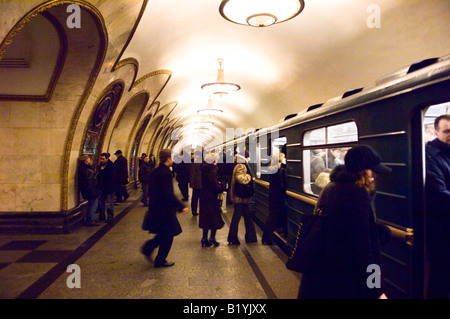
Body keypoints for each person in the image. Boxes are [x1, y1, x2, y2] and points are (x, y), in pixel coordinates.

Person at [298, 145, 391, 299]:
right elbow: (364, 249)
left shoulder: (333, 187)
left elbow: (344, 227)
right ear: (362, 171)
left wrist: (374, 229)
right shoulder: (356, 194)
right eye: (372, 170)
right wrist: (375, 289)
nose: (374, 175)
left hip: (325, 274)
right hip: (345, 279)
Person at [141, 149, 189, 268]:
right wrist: (180, 206)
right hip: (164, 210)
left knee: (163, 233)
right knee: (169, 234)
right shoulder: (165, 173)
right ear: (168, 158)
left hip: (157, 208)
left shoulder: (157, 171)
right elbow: (168, 193)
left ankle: (148, 248)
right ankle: (160, 260)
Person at [425, 114, 450, 299]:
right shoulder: (430, 155)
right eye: (447, 131)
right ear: (436, 132)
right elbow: (438, 194)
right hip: (440, 227)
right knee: (441, 275)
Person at [227, 150, 257, 245]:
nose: (249, 158)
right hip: (240, 197)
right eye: (248, 156)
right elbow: (240, 178)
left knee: (247, 217)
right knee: (237, 217)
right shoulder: (241, 165)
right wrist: (249, 177)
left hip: (242, 196)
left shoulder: (240, 164)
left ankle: (250, 236)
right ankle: (233, 237)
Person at [199, 152, 226, 247]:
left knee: (206, 218)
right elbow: (215, 186)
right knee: (214, 218)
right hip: (211, 198)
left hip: (204, 197)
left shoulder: (204, 168)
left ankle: (204, 238)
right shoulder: (212, 170)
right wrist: (222, 186)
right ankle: (212, 238)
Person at [262, 153, 287, 245]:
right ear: (280, 159)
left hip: (273, 195)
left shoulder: (272, 169)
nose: (285, 159)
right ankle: (267, 238)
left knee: (271, 216)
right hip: (278, 196)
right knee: (272, 217)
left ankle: (266, 237)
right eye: (283, 158)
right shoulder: (280, 170)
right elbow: (284, 183)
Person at [78, 154, 100, 226]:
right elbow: (89, 182)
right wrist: (95, 189)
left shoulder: (83, 168)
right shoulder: (86, 170)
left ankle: (90, 218)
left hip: (88, 190)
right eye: (88, 158)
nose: (90, 160)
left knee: (91, 205)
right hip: (91, 191)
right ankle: (90, 220)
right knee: (93, 205)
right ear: (86, 160)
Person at [98, 153, 115, 223]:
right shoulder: (101, 165)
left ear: (107, 158)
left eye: (103, 159)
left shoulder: (111, 165)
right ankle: (102, 216)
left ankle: (110, 216)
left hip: (110, 187)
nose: (101, 160)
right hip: (102, 187)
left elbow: (111, 176)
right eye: (101, 158)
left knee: (110, 202)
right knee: (101, 201)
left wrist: (103, 171)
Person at [189, 150, 202, 216]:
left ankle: (194, 210)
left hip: (197, 183)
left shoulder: (195, 162)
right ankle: (196, 210)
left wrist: (191, 183)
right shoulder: (199, 162)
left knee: (195, 197)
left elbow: (192, 173)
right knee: (198, 197)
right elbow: (192, 174)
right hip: (199, 183)